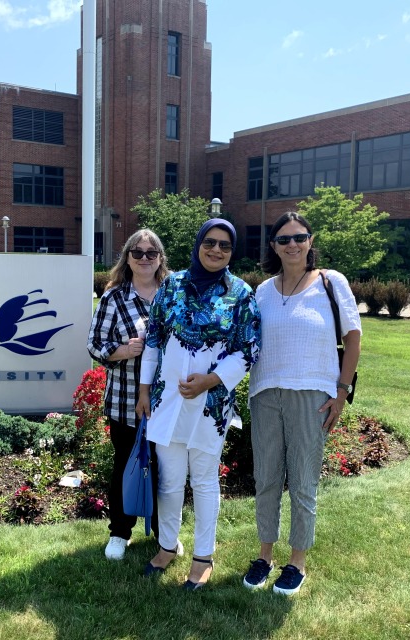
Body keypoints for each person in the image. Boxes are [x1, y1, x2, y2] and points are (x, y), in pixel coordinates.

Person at [136, 219, 261, 590]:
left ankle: (203, 556)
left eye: (225, 245)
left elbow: (248, 350)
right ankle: (167, 546)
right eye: (210, 242)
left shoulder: (240, 294)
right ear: (198, 244)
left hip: (211, 403)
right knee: (170, 481)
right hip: (167, 400)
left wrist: (210, 380)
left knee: (205, 481)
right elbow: (154, 342)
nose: (216, 250)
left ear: (231, 251)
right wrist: (144, 392)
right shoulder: (171, 286)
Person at [242, 211, 361, 596]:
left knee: (303, 480)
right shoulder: (262, 291)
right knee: (267, 480)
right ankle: (264, 555)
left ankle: (297, 562)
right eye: (283, 239)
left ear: (310, 242)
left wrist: (341, 391)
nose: (292, 245)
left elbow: (354, 337)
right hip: (264, 394)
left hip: (312, 394)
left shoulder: (330, 282)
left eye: (299, 237)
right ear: (273, 246)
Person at [88, 229, 169, 561]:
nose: (145, 259)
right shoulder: (114, 298)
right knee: (126, 466)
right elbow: (95, 345)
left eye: (152, 253)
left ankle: (166, 532)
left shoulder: (173, 295)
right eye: (138, 253)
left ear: (160, 258)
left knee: (167, 469)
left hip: (169, 401)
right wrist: (123, 350)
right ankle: (120, 532)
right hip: (125, 400)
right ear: (128, 258)